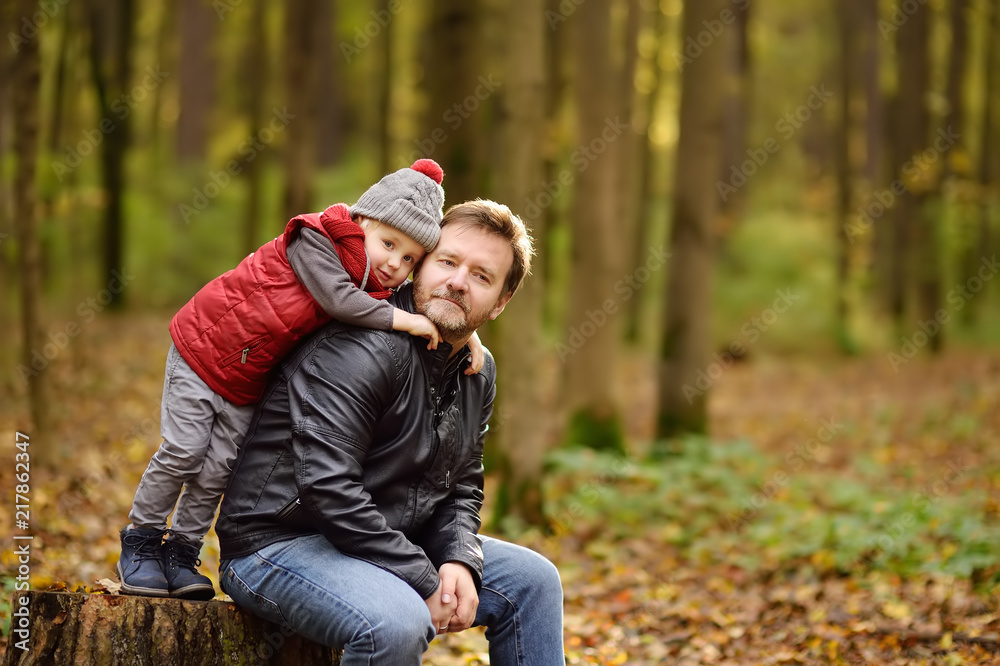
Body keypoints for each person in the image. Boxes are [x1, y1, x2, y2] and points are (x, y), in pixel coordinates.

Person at [215, 200, 565, 665]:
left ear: (500, 303)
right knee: (395, 622)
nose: (458, 282)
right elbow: (326, 486)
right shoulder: (362, 345)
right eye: (447, 262)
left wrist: (459, 557)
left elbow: (461, 483)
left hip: (384, 537)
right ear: (419, 265)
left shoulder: (476, 370)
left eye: (482, 276)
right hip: (277, 542)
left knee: (534, 581)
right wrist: (423, 576)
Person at [117, 159, 485, 601]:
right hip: (205, 351)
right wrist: (404, 321)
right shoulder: (317, 239)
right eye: (388, 243)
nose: (394, 263)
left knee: (216, 469)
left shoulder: (372, 282)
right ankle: (140, 540)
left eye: (409, 258)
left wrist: (465, 334)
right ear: (361, 220)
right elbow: (338, 300)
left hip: (247, 378)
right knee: (184, 451)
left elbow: (426, 302)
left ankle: (181, 552)